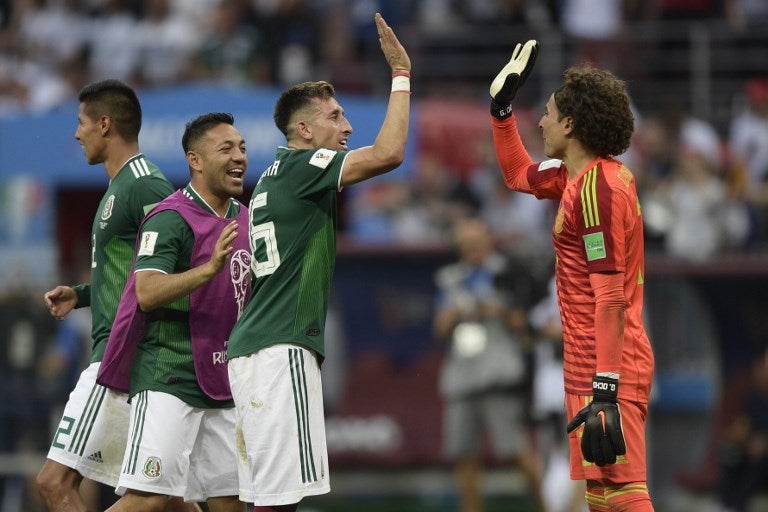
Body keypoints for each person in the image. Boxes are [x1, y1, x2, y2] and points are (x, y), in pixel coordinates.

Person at [225, 12, 410, 511]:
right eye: (335, 117)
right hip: (279, 349)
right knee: (281, 501)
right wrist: (401, 74)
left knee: (265, 499)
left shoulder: (272, 178)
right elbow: (390, 153)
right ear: (303, 129)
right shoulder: (304, 167)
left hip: (256, 350)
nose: (348, 126)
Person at [488, 41, 656, 511]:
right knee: (602, 496)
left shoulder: (597, 190)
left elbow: (610, 299)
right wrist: (501, 110)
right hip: (589, 364)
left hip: (609, 368)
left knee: (625, 494)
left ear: (569, 124)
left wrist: (605, 387)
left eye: (545, 113)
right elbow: (518, 174)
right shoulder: (576, 177)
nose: (539, 122)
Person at [36, 79, 199, 512]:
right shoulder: (121, 186)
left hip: (122, 353)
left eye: (81, 122)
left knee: (55, 483)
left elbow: (178, 258)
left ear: (105, 125)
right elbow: (142, 268)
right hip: (125, 351)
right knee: (164, 497)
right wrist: (83, 294)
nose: (76, 133)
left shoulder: (145, 185)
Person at [97, 112, 251, 512]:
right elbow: (146, 292)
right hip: (169, 375)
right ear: (195, 160)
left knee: (229, 504)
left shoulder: (247, 217)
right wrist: (207, 269)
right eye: (226, 148)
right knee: (148, 500)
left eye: (242, 147)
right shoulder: (169, 217)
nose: (239, 156)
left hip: (223, 381)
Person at [432, 217, 547, 512]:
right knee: (465, 457)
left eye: (476, 244)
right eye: (465, 245)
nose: (471, 250)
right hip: (462, 375)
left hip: (499, 372)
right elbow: (440, 329)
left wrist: (496, 310)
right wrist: (457, 312)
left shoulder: (508, 271)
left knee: (516, 451)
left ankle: (549, 506)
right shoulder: (451, 277)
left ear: (488, 241)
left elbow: (523, 322)